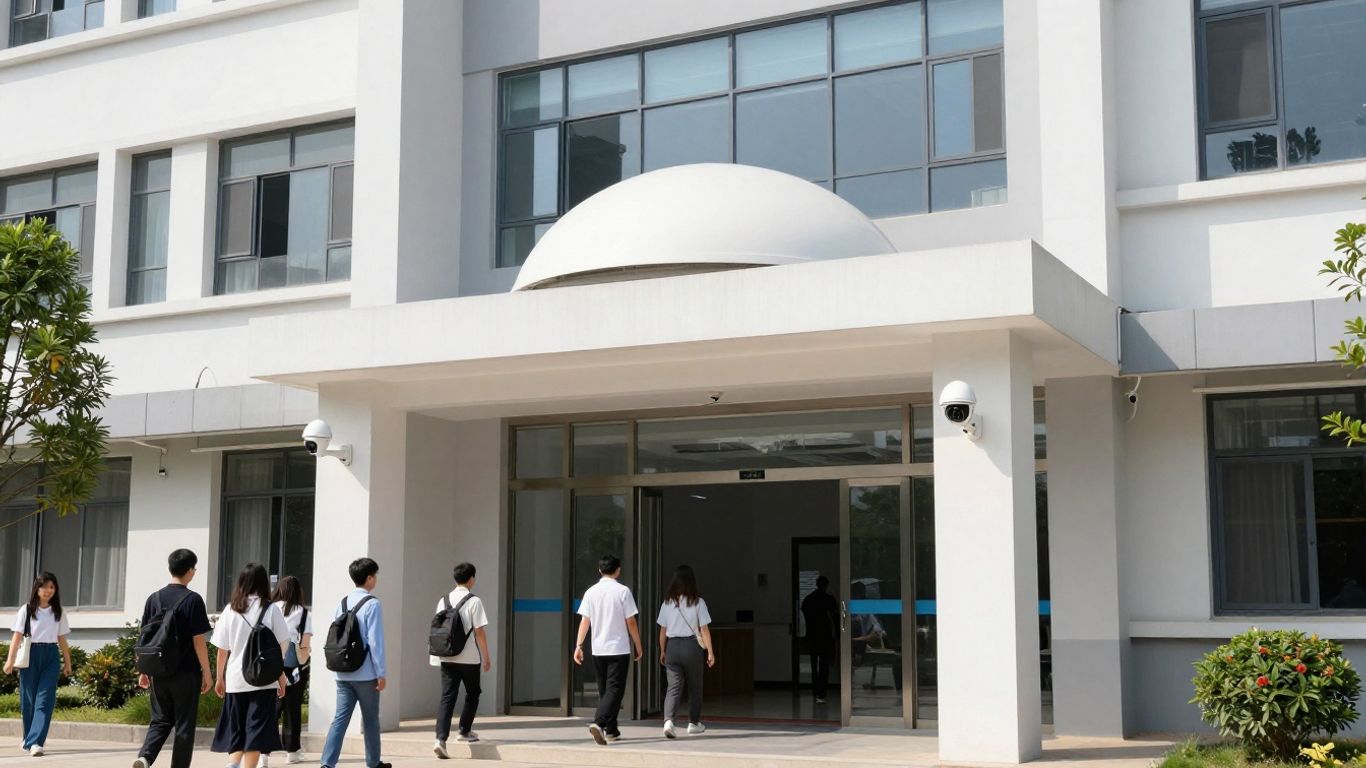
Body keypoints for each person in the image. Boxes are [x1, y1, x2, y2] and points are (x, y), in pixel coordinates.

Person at [133, 549, 213, 768]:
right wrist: (207, 671)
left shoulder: (154, 598)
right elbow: (199, 640)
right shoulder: (193, 600)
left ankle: (145, 757)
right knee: (184, 725)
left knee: (160, 719)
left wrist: (144, 670)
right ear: (189, 571)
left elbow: (146, 637)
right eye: (194, 569)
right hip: (186, 673)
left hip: (158, 670)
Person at [209, 563, 291, 768]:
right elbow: (283, 644)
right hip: (263, 679)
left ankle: (233, 764)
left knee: (237, 728)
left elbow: (222, 649)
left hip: (236, 679)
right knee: (257, 729)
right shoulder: (270, 609)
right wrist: (279, 675)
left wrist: (220, 677)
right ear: (264, 583)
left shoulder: (230, 609)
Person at [320, 558, 391, 768]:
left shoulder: (342, 603)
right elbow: (375, 642)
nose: (376, 579)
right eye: (374, 575)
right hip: (366, 673)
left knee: (340, 719)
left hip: (342, 673)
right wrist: (382, 673)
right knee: (370, 720)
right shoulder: (372, 604)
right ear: (369, 578)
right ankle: (373, 762)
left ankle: (327, 763)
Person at [572, 554, 641, 746]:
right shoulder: (623, 591)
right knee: (614, 690)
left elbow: (585, 620)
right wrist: (638, 644)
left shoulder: (591, 592)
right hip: (618, 648)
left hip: (598, 649)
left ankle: (611, 729)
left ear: (600, 570)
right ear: (618, 570)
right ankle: (599, 723)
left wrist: (578, 645)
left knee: (605, 690)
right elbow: (631, 621)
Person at [3, 572, 73, 757]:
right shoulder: (26, 610)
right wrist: (9, 661)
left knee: (45, 700)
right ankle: (28, 738)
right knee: (29, 701)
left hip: (50, 655)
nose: (48, 591)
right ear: (37, 588)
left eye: (52, 587)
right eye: (44, 586)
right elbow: (16, 636)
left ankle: (36, 742)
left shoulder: (59, 611)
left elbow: (62, 639)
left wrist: (67, 662)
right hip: (29, 655)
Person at [430, 562, 491, 758]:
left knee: (447, 696)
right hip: (469, 658)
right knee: (473, 692)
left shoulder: (443, 600)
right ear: (471, 579)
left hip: (446, 656)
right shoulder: (474, 601)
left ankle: (440, 739)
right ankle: (464, 731)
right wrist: (486, 657)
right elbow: (480, 631)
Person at [656, 565, 714, 740]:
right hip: (691, 647)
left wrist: (662, 650)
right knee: (695, 687)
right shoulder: (698, 602)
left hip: (672, 647)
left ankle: (668, 722)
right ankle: (694, 723)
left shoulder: (667, 603)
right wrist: (710, 652)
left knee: (673, 687)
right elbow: (704, 629)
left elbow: (662, 631)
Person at [269, 575, 312, 765]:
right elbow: (305, 643)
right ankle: (292, 752)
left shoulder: (269, 609)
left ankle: (263, 753)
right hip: (293, 668)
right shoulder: (303, 613)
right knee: (292, 709)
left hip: (270, 666)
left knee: (270, 709)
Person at [800, 575, 837, 704]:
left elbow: (804, 611)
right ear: (826, 585)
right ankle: (822, 691)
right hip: (825, 634)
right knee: (824, 663)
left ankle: (815, 689)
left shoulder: (808, 599)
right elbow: (834, 610)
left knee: (813, 663)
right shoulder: (828, 599)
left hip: (812, 634)